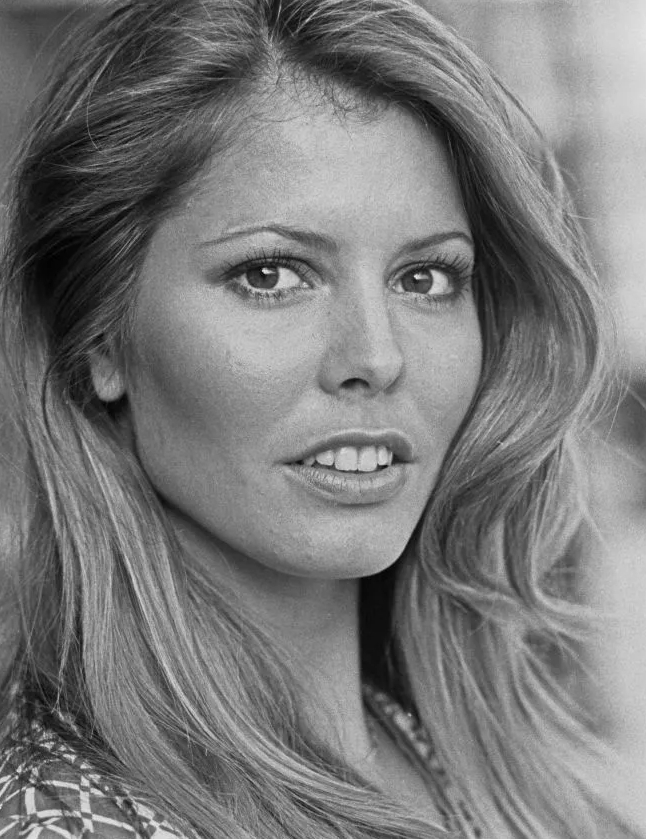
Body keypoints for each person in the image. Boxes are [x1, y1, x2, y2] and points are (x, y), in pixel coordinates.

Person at [0, 0, 635, 837]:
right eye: (271, 274)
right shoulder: (65, 821)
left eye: (426, 278)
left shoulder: (506, 768)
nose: (376, 355)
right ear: (97, 338)